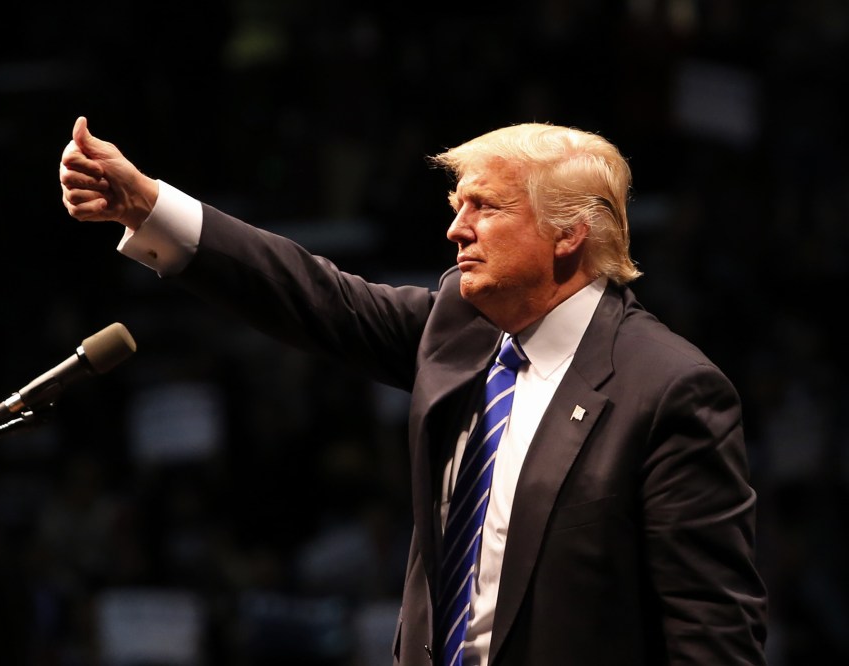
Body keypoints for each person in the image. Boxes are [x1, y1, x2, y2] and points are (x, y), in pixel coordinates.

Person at [59, 116, 768, 665]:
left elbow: (711, 637)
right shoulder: (458, 328)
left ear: (567, 233)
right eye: (458, 205)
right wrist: (148, 206)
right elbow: (313, 295)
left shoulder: (670, 390)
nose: (455, 228)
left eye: (484, 207)